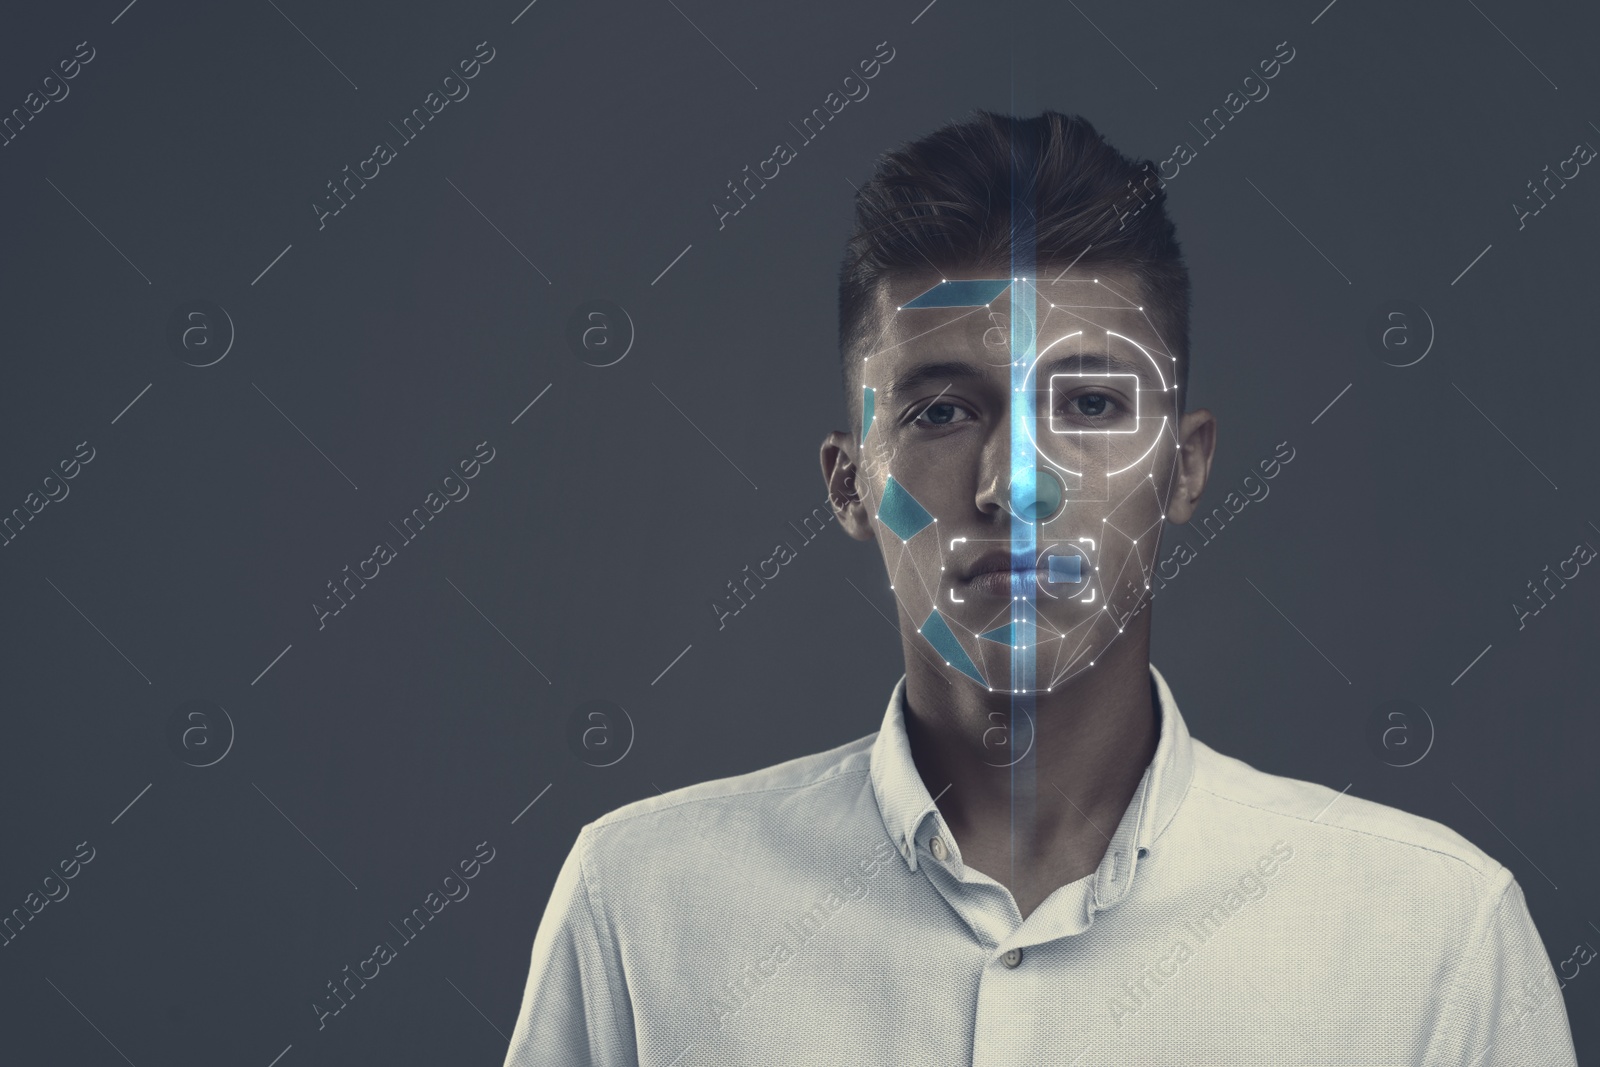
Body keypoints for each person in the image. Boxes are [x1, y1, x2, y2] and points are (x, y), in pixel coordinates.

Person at [501, 110, 1578, 1065]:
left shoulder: (1431, 933)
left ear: (1185, 466)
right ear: (849, 482)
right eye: (938, 411)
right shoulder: (640, 906)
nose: (1013, 482)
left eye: (1092, 404)